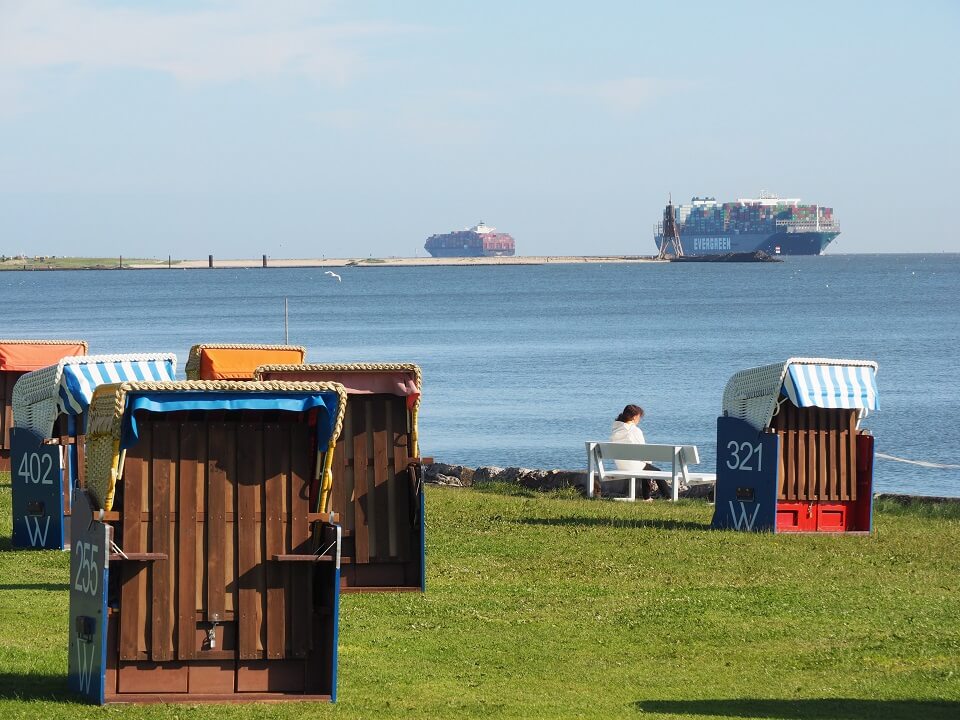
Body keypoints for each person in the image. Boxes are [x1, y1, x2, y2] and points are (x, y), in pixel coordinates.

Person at [609, 404, 671, 500]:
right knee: (655, 471)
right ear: (634, 417)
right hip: (633, 465)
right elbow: (643, 451)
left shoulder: (616, 429)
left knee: (646, 468)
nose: (639, 420)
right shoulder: (634, 430)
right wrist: (648, 461)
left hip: (621, 464)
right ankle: (668, 497)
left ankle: (647, 498)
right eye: (639, 417)